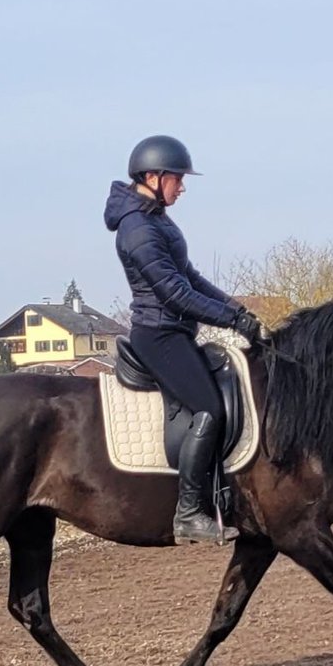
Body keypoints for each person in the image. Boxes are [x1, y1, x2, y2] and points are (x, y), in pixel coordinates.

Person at [103, 135, 264, 545]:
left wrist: (238, 310)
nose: (182, 186)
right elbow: (173, 293)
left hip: (174, 330)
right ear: (153, 176)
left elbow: (190, 277)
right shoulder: (138, 227)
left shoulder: (155, 217)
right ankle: (190, 512)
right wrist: (231, 319)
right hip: (158, 334)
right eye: (177, 178)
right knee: (209, 406)